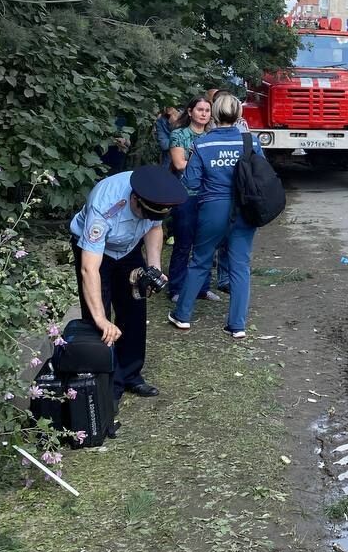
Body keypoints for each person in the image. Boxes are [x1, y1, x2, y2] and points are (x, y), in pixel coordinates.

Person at [69, 165, 186, 400]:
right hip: (95, 252)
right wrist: (101, 318)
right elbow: (88, 269)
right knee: (97, 318)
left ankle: (131, 375)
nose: (149, 218)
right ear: (134, 200)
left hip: (128, 249)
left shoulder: (154, 194)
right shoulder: (104, 208)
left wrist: (153, 268)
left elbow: (154, 228)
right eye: (145, 213)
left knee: (134, 308)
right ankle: (107, 381)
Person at [167, 93, 261, 339]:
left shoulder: (204, 143)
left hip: (212, 209)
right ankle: (237, 325)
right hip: (245, 209)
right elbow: (262, 174)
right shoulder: (251, 141)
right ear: (239, 114)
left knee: (200, 260)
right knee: (240, 266)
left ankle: (183, 316)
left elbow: (191, 181)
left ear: (215, 114)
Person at [166, 96, 221, 303]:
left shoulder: (212, 135)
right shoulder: (179, 135)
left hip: (209, 195)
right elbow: (179, 164)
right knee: (183, 243)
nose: (204, 113)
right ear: (190, 112)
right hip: (186, 195)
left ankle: (202, 287)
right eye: (200, 109)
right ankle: (176, 288)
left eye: (207, 110)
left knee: (206, 244)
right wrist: (206, 163)